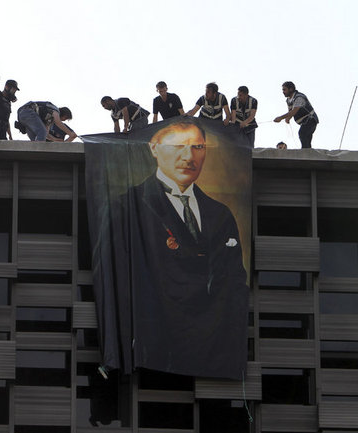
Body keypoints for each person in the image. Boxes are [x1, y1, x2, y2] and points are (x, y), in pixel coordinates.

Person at [108, 118, 249, 377]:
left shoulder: (220, 213)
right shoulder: (127, 207)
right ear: (154, 148)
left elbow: (235, 286)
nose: (189, 157)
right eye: (178, 147)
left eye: (198, 147)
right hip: (156, 353)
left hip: (213, 354)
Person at [274, 81, 319, 149]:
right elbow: (290, 111)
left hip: (310, 120)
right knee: (306, 138)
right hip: (304, 122)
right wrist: (288, 118)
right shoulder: (288, 100)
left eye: (284, 89)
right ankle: (307, 151)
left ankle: (305, 151)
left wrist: (280, 118)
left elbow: (294, 111)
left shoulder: (299, 97)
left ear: (291, 89)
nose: (283, 92)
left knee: (302, 134)